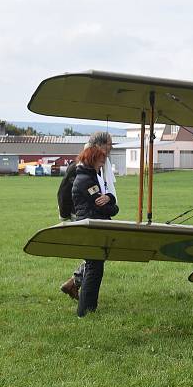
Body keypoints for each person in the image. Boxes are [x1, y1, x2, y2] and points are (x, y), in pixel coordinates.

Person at [58, 132, 116, 299]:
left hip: (98, 213)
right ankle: (75, 284)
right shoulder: (80, 165)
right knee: (96, 256)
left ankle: (73, 283)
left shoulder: (101, 163)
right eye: (109, 144)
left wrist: (110, 200)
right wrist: (65, 217)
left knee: (98, 255)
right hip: (82, 214)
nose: (110, 148)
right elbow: (63, 193)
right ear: (98, 145)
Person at [72, 145, 119, 316]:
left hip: (93, 226)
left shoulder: (92, 177)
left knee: (94, 267)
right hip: (91, 227)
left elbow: (106, 199)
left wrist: (110, 198)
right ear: (92, 160)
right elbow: (107, 208)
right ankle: (85, 311)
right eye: (100, 163)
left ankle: (88, 308)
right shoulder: (86, 181)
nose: (102, 166)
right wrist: (112, 204)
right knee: (93, 268)